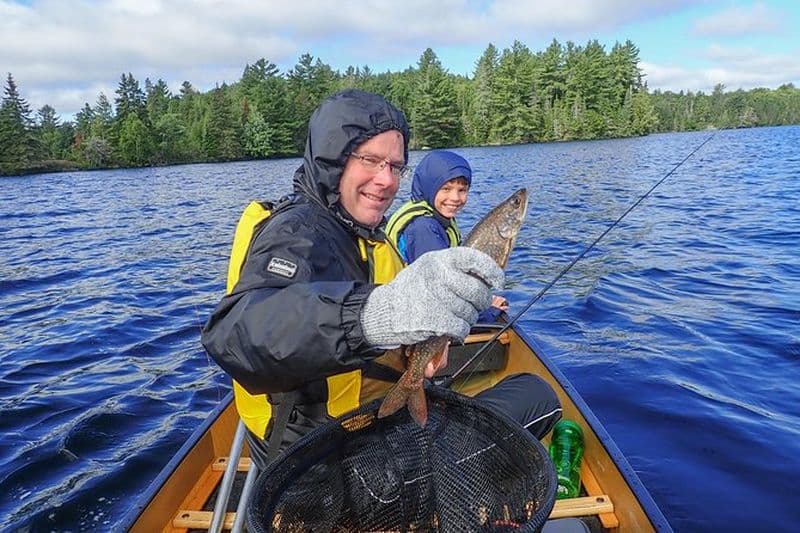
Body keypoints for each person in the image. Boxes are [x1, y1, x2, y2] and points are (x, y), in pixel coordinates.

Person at [201, 89, 561, 471]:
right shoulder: (296, 234)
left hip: (372, 427)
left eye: (395, 166)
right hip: (337, 464)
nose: (386, 180)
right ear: (333, 160)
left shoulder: (357, 230)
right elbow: (238, 334)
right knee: (539, 396)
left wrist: (415, 346)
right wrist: (376, 316)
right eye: (370, 160)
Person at [386, 150, 508, 323]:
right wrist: (488, 312)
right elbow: (442, 295)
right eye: (446, 189)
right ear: (429, 186)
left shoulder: (437, 219)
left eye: (462, 190)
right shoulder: (423, 228)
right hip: (414, 318)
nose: (455, 198)